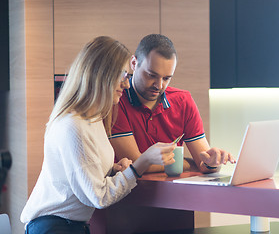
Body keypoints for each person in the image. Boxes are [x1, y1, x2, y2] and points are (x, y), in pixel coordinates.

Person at [20, 36, 176, 234]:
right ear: (101, 75)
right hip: (54, 227)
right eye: (122, 75)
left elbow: (83, 174)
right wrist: (140, 164)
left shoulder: (92, 120)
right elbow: (98, 196)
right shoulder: (73, 126)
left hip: (70, 226)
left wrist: (113, 170)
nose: (126, 84)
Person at [110, 34, 235, 174]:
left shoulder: (183, 101)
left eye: (166, 78)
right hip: (131, 193)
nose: (159, 85)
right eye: (151, 75)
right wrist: (191, 164)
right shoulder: (116, 101)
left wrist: (214, 163)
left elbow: (205, 163)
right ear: (134, 63)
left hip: (174, 192)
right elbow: (136, 165)